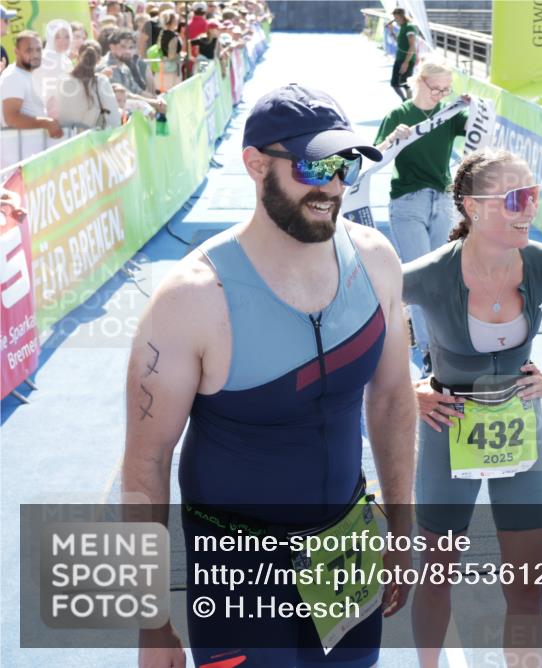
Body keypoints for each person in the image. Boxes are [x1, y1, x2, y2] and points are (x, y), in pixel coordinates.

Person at [122, 84, 417, 667]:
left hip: (347, 547)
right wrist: (148, 621)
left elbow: (390, 400)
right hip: (238, 571)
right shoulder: (192, 299)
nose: (332, 184)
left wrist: (401, 527)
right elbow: (145, 463)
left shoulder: (377, 260)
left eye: (345, 164)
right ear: (256, 165)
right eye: (314, 165)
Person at [404, 149, 542, 667]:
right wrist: (411, 387)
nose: (530, 209)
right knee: (436, 579)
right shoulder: (431, 273)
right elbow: (364, 317)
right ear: (473, 207)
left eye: (535, 196)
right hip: (446, 435)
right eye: (516, 199)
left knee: (527, 591)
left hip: (522, 439)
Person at [375, 57, 466, 376]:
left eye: (446, 90)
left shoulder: (448, 114)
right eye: (435, 88)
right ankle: (430, 352)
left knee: (440, 277)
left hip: (441, 200)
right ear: (418, 82)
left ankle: (435, 341)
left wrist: (472, 106)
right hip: (407, 201)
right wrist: (392, 139)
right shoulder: (399, 115)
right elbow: (376, 156)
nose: (439, 95)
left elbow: (479, 129)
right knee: (422, 279)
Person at [0, 32, 63, 138]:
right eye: (29, 50)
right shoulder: (13, 76)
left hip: (34, 149)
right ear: (16, 52)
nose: (35, 54)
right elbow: (11, 118)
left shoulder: (27, 75)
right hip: (21, 151)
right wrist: (46, 123)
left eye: (38, 50)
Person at [53, 40, 121, 129]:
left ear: (78, 57)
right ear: (99, 61)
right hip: (89, 138)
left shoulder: (62, 79)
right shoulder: (101, 81)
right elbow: (113, 117)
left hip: (64, 137)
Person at [33, 19, 73, 115]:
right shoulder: (42, 58)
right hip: (44, 112)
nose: (63, 41)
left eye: (67, 37)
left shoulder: (66, 61)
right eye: (58, 37)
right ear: (50, 38)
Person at [389, 7, 418, 100]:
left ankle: (410, 103)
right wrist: (392, 31)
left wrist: (406, 62)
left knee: (406, 83)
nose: (394, 19)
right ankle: (405, 101)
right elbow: (400, 43)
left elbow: (412, 45)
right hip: (399, 58)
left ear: (401, 16)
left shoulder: (409, 27)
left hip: (406, 60)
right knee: (395, 83)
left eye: (396, 17)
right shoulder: (402, 27)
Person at [155, 9, 181, 90]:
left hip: (161, 66)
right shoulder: (173, 36)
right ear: (172, 21)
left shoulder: (162, 33)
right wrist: (180, 57)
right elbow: (171, 56)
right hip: (171, 69)